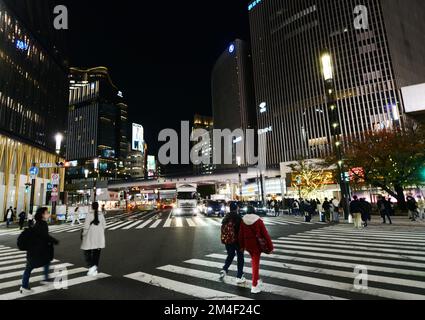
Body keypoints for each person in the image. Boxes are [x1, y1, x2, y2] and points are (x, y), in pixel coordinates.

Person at [20, 207, 59, 294]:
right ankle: (24, 286)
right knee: (29, 268)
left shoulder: (38, 223)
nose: (48, 214)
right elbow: (45, 236)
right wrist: (54, 241)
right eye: (46, 212)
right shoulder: (42, 224)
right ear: (42, 215)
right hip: (36, 252)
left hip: (35, 251)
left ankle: (45, 279)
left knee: (46, 262)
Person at [239, 206, 273, 294]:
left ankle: (257, 279)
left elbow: (240, 235)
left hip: (247, 245)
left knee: (253, 260)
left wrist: (242, 246)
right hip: (256, 245)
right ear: (254, 211)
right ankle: (254, 286)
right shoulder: (258, 221)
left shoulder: (243, 221)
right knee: (255, 263)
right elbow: (265, 234)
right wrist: (270, 247)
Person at [219, 202, 245, 284]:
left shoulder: (226, 217)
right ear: (236, 208)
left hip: (228, 240)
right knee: (240, 257)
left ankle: (224, 269)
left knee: (231, 254)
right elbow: (241, 231)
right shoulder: (238, 217)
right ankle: (239, 276)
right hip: (237, 241)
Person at [81, 202, 106, 276]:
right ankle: (95, 268)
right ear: (98, 207)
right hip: (99, 238)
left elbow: (86, 227)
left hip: (90, 237)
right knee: (96, 254)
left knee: (88, 252)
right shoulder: (101, 215)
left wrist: (83, 234)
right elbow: (104, 225)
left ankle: (92, 267)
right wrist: (100, 232)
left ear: (92, 207)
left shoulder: (89, 214)